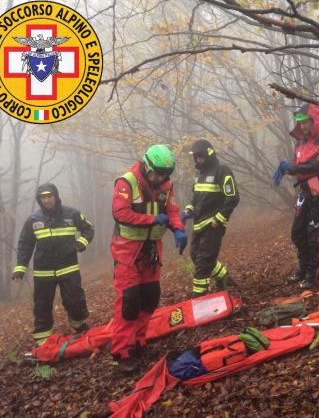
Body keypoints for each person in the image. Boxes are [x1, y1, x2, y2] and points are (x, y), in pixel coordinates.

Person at [111, 144, 187, 374]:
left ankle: (139, 340)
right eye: (158, 173)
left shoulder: (165, 185)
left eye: (165, 175)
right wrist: (152, 219)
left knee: (150, 297)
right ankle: (122, 351)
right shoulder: (127, 182)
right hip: (127, 250)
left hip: (152, 248)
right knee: (129, 302)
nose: (161, 178)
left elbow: (172, 211)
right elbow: (121, 213)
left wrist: (178, 229)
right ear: (146, 166)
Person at [12, 183, 94, 346]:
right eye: (43, 197)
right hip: (44, 272)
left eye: (49, 196)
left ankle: (79, 324)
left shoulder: (71, 214)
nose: (47, 200)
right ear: (39, 199)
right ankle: (43, 339)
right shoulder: (33, 219)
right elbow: (25, 244)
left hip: (69, 268)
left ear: (56, 196)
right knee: (42, 306)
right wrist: (20, 268)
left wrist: (81, 243)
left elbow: (88, 229)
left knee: (75, 301)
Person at [274, 103, 319, 289]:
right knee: (297, 233)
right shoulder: (301, 140)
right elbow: (298, 162)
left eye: (305, 122)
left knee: (314, 234)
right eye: (299, 122)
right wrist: (287, 167)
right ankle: (303, 270)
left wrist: (294, 168)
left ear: (314, 120)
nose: (302, 126)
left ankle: (314, 274)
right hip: (304, 192)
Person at [181, 140, 240, 297]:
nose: (198, 160)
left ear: (208, 154)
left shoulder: (222, 171)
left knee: (204, 260)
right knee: (195, 256)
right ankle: (223, 276)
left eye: (200, 157)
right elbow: (197, 197)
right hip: (199, 224)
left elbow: (232, 197)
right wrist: (189, 209)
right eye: (196, 157)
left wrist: (219, 218)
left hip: (214, 224)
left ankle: (200, 294)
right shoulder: (199, 174)